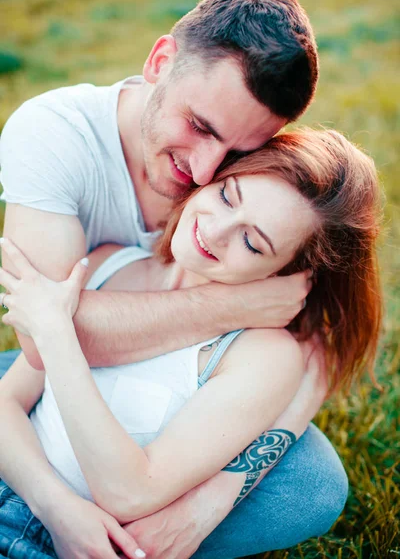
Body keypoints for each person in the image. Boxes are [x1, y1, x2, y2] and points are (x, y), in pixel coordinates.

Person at [0, 0, 345, 559]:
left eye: (236, 153)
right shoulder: (56, 134)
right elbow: (46, 340)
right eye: (202, 128)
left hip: (188, 386)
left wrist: (206, 502)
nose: (208, 170)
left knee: (312, 479)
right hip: (53, 369)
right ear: (161, 62)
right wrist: (233, 306)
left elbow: (312, 352)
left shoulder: (258, 190)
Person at [0, 129, 382, 559]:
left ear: (287, 270)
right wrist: (55, 506)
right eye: (226, 196)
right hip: (29, 489)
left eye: (252, 243)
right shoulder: (110, 261)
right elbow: (6, 404)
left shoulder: (262, 354)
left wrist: (55, 332)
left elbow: (129, 492)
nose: (215, 231)